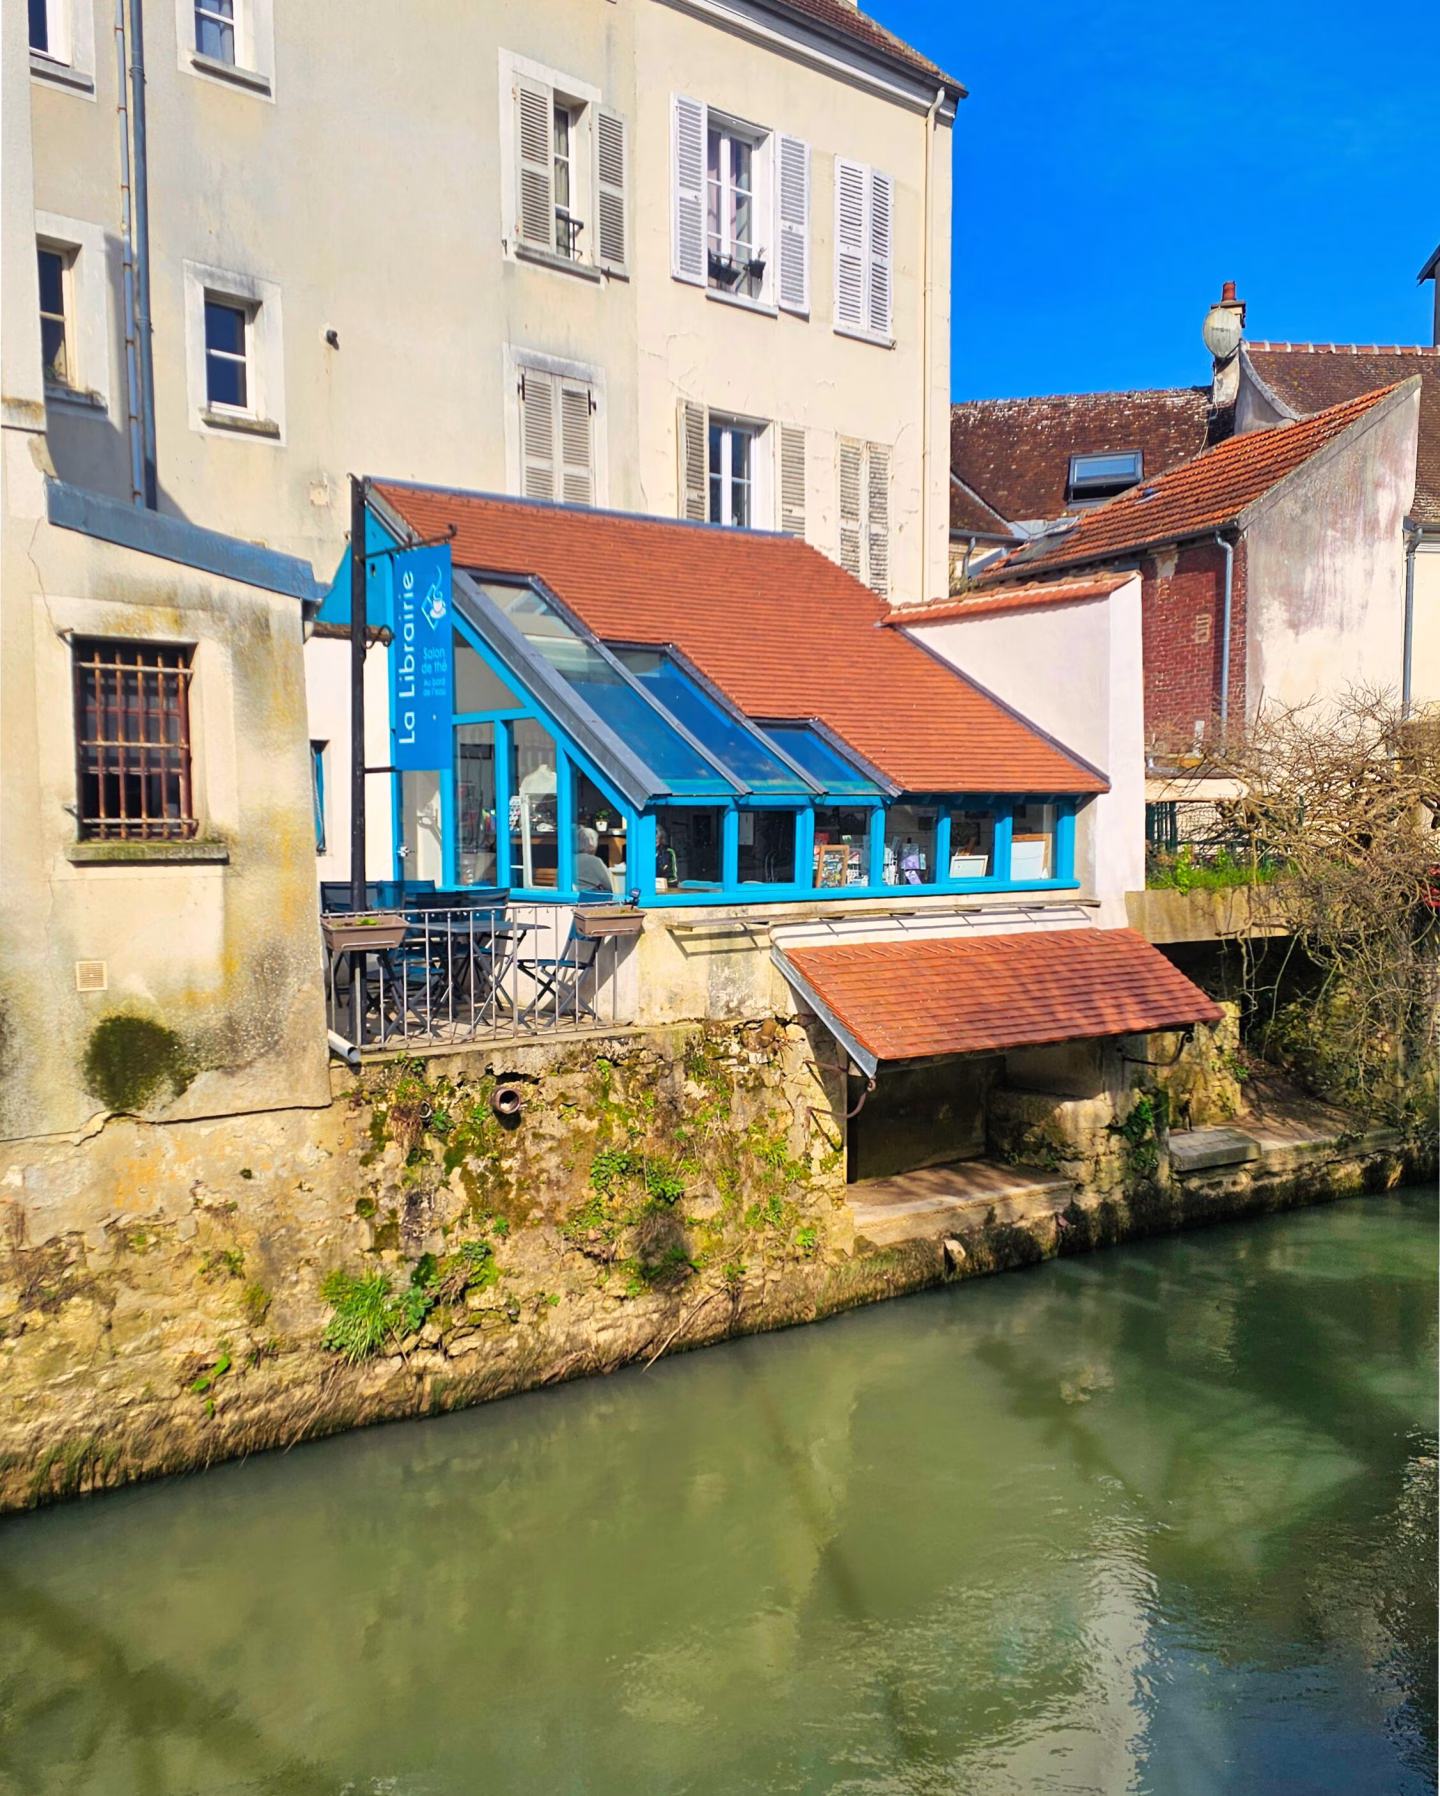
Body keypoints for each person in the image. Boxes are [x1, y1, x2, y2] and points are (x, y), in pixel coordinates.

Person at [574, 825, 613, 894]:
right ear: (592, 844)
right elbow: (611, 885)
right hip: (588, 901)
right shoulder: (594, 861)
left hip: (566, 900)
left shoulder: (566, 861)